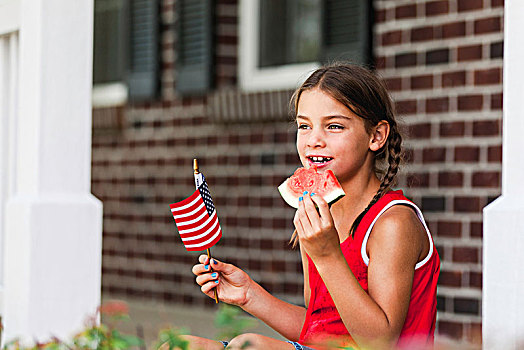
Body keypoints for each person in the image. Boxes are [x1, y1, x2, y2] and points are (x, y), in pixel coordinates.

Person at [187, 63, 440, 350]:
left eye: (334, 126)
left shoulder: (393, 223)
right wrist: (249, 295)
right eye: (304, 126)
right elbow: (319, 328)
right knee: (179, 346)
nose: (314, 141)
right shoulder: (319, 215)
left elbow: (379, 342)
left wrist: (328, 254)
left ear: (376, 136)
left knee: (248, 345)